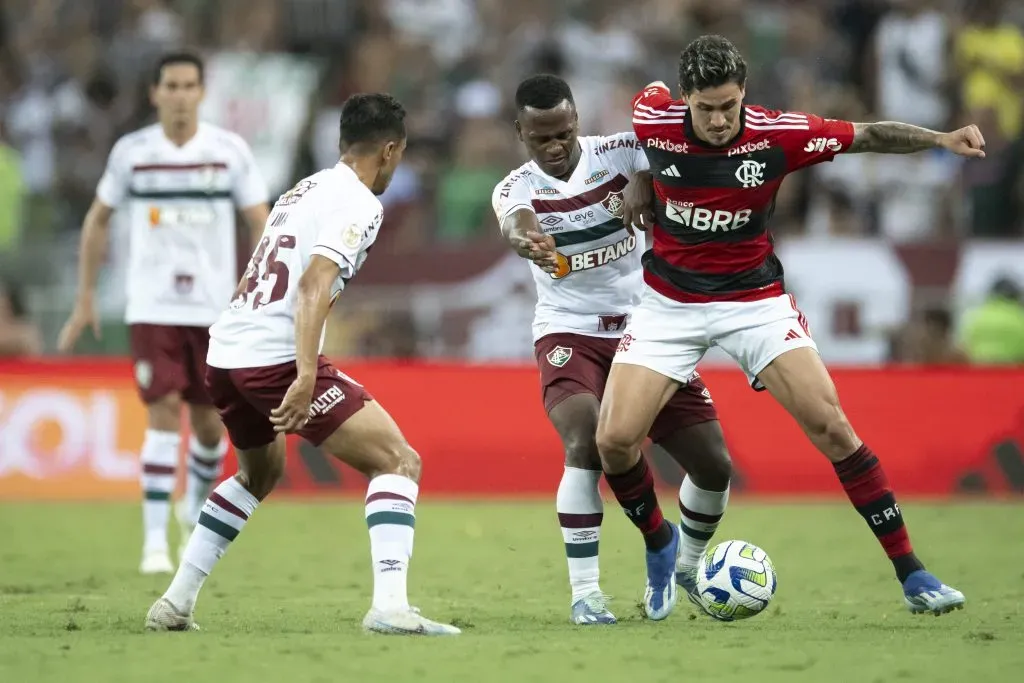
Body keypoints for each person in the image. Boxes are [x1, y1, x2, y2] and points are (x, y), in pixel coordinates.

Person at [590, 35, 980, 619]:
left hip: (755, 301)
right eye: (706, 108)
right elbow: (629, 141)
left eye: (729, 105)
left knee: (833, 428)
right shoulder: (653, 117)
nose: (719, 120)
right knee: (613, 442)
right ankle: (661, 546)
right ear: (686, 99)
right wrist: (641, 179)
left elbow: (868, 134)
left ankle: (913, 573)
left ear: (744, 92)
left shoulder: (781, 134)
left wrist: (941, 139)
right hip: (668, 303)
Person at [145, 93, 460, 636]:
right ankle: (389, 607)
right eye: (400, 156)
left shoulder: (303, 188)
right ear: (389, 150)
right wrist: (307, 372)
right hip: (274, 359)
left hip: (227, 353)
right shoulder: (360, 202)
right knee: (398, 462)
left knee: (257, 474)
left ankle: (174, 602)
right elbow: (314, 283)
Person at [492, 74, 732, 624]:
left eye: (564, 133)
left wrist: (647, 182)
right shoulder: (515, 187)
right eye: (540, 139)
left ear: (578, 120)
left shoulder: (622, 151)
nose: (554, 147)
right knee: (586, 440)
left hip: (646, 327)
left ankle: (683, 564)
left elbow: (670, 129)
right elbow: (515, 223)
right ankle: (591, 590)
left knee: (714, 466)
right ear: (520, 133)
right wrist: (525, 240)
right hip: (568, 329)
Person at [58, 52, 271, 575]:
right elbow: (97, 220)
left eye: (188, 85)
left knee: (206, 427)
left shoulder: (228, 152)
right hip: (151, 306)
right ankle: (154, 543)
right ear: (154, 93)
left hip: (212, 309)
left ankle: (192, 502)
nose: (179, 95)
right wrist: (85, 297)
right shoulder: (132, 153)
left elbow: (260, 220)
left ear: (201, 92)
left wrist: (257, 286)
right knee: (161, 413)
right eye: (170, 86)